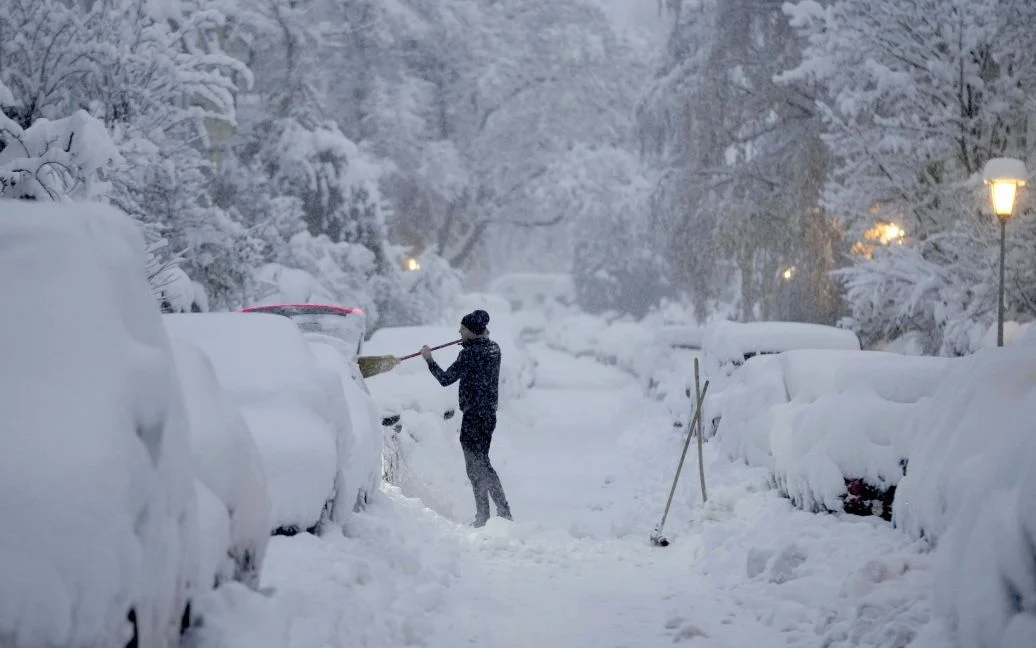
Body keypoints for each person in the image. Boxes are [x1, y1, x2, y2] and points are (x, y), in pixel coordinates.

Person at [421, 309, 512, 527]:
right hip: (488, 415)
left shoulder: (470, 354)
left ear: (471, 331)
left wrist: (429, 360)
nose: (459, 332)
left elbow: (445, 379)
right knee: (483, 463)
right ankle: (500, 512)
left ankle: (486, 515)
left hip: (473, 417)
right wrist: (467, 344)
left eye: (462, 329)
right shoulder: (493, 349)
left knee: (475, 467)